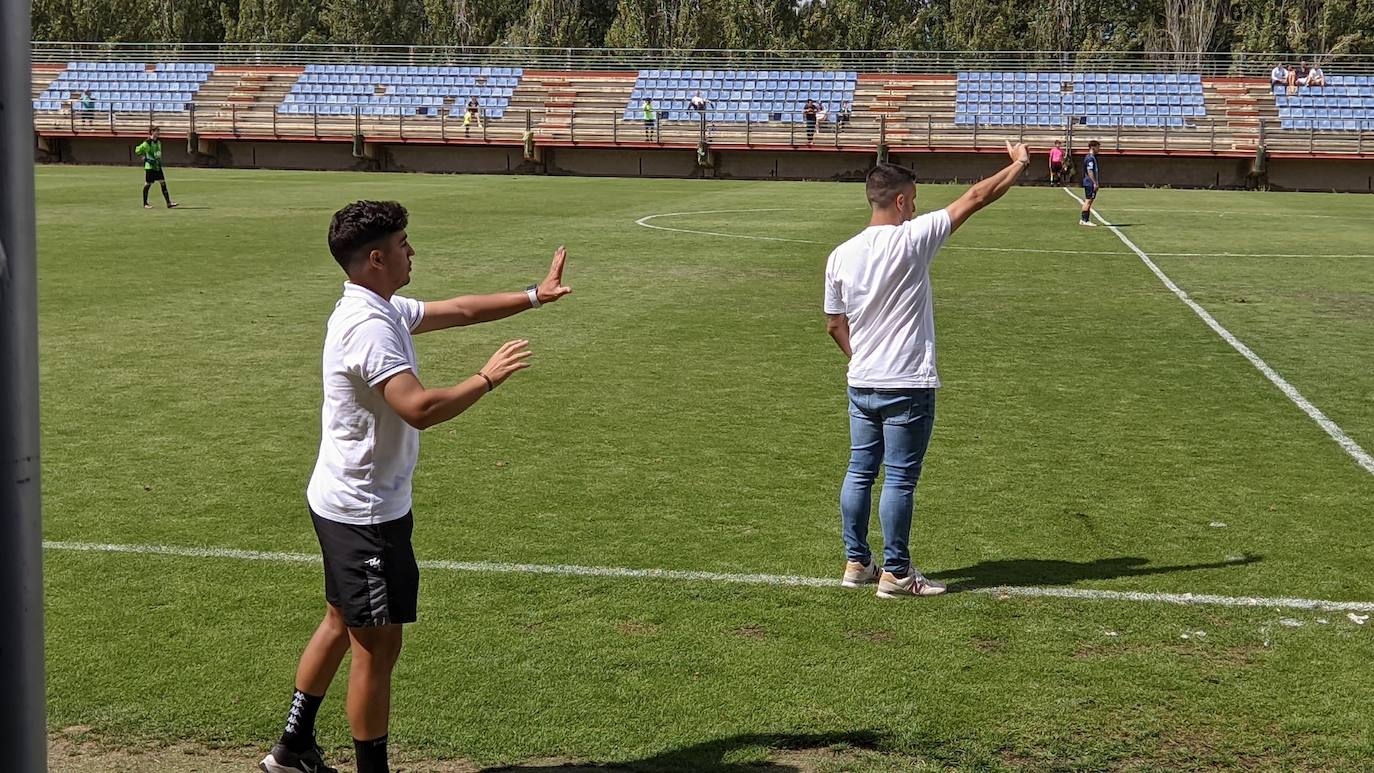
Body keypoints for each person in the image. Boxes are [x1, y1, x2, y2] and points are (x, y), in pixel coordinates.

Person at [258, 201, 572, 773]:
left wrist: (532, 295)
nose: (412, 251)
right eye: (403, 243)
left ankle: (293, 747)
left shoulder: (377, 305)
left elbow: (457, 309)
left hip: (341, 498)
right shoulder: (369, 328)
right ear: (376, 258)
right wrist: (486, 377)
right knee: (376, 649)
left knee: (339, 619)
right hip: (365, 513)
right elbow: (419, 408)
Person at [825, 143, 1031, 599]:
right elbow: (976, 197)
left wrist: (860, 361)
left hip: (862, 381)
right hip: (907, 383)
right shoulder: (912, 237)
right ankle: (895, 572)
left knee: (860, 470)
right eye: (913, 200)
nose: (916, 207)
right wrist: (1017, 163)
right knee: (899, 477)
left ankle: (856, 561)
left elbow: (834, 324)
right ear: (900, 201)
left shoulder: (840, 254)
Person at [134, 126, 177, 210]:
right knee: (148, 184)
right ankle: (145, 204)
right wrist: (146, 159)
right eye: (157, 131)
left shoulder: (158, 142)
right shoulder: (147, 143)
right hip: (150, 167)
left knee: (163, 183)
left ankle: (168, 203)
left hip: (157, 166)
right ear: (152, 132)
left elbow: (158, 153)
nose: (158, 133)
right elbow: (137, 150)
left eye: (159, 131)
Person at [1079, 140, 1101, 226]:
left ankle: (1084, 219)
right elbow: (1089, 170)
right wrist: (1094, 183)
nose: (1099, 149)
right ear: (1093, 147)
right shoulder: (1090, 158)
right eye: (1098, 147)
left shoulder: (1089, 157)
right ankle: (1085, 220)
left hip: (1088, 182)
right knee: (1088, 201)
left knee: (1088, 201)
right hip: (1089, 183)